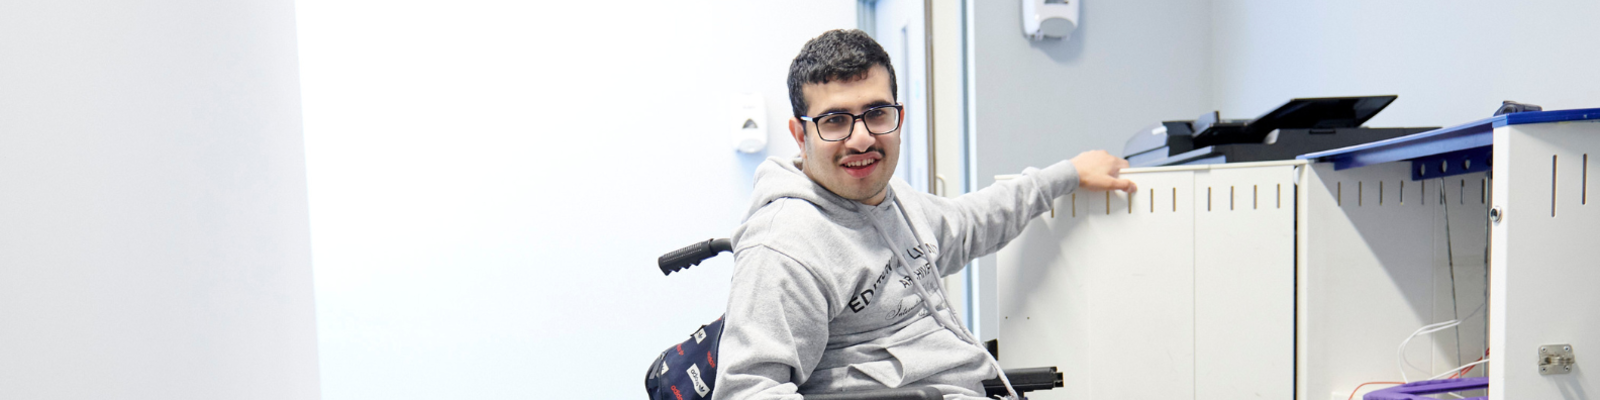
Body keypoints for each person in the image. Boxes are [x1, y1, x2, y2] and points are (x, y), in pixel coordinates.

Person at [712, 29, 1136, 400]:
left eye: (877, 113)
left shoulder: (894, 203)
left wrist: (1069, 174)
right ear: (800, 134)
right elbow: (748, 391)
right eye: (835, 121)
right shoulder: (785, 246)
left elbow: (974, 221)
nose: (861, 139)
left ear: (899, 118)